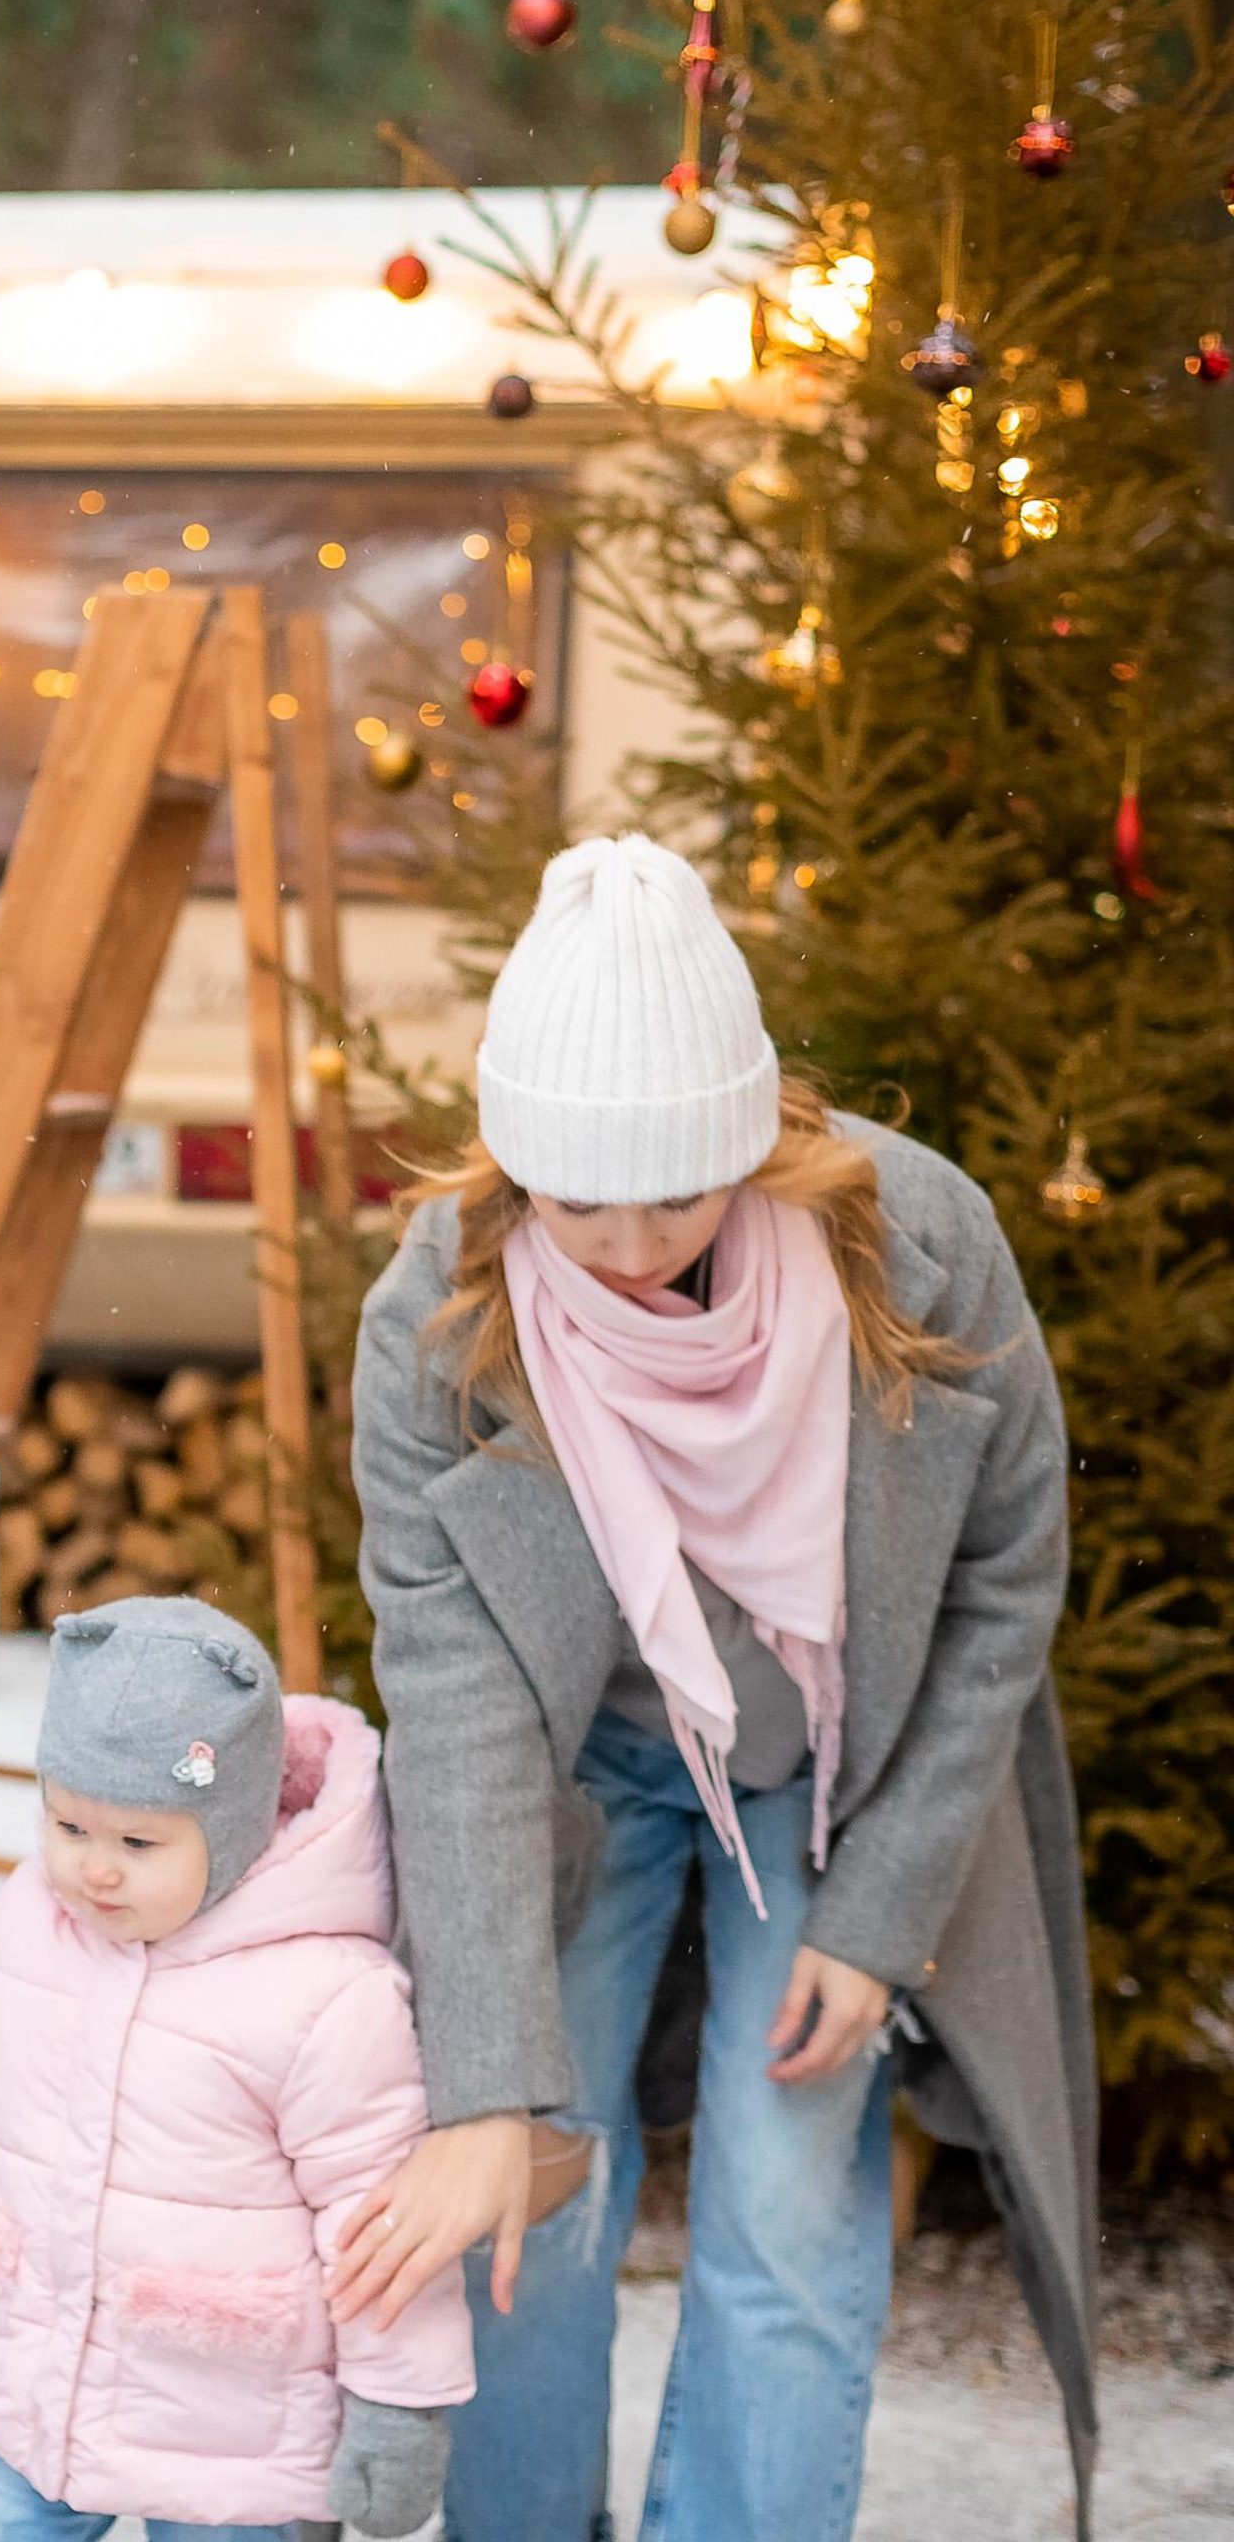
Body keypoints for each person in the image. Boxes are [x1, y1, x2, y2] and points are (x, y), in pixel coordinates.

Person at [330, 834, 1099, 2542]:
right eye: (573, 1197)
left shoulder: (923, 1249)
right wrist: (481, 2086)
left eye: (672, 1195)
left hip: (831, 1772)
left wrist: (879, 1909)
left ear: (751, 1141)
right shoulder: (436, 1323)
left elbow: (1001, 1585)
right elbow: (451, 1698)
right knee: (529, 2181)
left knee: (789, 2201)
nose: (619, 1244)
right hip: (571, 1779)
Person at [0, 1597, 476, 2542]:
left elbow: (380, 2227)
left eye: (140, 1843)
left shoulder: (327, 1997)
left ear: (236, 1831)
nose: (94, 1871)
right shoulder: (36, 1919)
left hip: (233, 2434)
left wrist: (398, 2408)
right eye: (68, 1827)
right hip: (43, 2389)